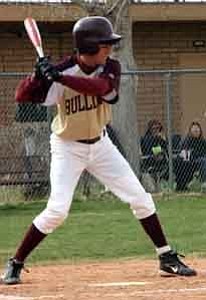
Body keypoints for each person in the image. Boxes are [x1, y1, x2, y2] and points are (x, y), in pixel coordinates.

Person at [1, 16, 196, 285]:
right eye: (106, 45)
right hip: (67, 147)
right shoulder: (62, 71)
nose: (110, 50)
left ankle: (166, 257)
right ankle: (16, 262)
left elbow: (102, 89)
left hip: (101, 145)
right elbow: (21, 96)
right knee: (57, 210)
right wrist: (36, 75)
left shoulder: (109, 68)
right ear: (91, 46)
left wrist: (61, 78)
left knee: (140, 198)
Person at [175, 121, 206, 191]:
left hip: (201, 160)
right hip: (190, 162)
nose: (196, 131)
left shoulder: (203, 142)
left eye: (197, 130)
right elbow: (183, 153)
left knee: (203, 160)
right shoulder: (187, 141)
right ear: (190, 131)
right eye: (194, 130)